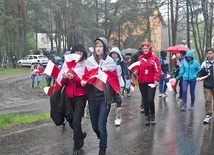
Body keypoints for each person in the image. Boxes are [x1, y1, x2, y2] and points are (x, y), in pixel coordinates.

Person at [81, 37, 122, 155]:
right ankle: (101, 136)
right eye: (96, 47)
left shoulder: (110, 63)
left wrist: (119, 102)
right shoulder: (89, 62)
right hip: (92, 99)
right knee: (95, 126)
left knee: (101, 125)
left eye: (100, 46)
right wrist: (84, 81)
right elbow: (86, 76)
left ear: (104, 48)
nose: (98, 49)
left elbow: (115, 83)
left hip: (104, 100)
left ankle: (102, 149)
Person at [61, 43, 87, 154]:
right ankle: (80, 135)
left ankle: (77, 145)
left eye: (81, 52)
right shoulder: (67, 65)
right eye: (77, 51)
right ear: (73, 53)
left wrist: (74, 78)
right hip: (68, 98)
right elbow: (62, 83)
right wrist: (66, 78)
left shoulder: (86, 65)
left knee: (76, 122)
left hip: (80, 97)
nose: (79, 54)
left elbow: (84, 83)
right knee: (71, 121)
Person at [131, 42, 161, 125]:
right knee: (145, 100)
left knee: (150, 99)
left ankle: (153, 115)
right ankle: (147, 117)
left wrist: (156, 79)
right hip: (142, 82)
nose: (145, 50)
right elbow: (137, 68)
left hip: (152, 82)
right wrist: (136, 72)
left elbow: (157, 70)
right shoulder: (140, 58)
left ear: (150, 49)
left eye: (146, 48)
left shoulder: (154, 59)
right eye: (144, 49)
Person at [109, 47, 131, 126]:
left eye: (115, 53)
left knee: (119, 100)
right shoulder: (108, 62)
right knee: (110, 101)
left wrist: (127, 84)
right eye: (112, 53)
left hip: (119, 83)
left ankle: (118, 117)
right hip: (110, 83)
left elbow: (126, 73)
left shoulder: (122, 62)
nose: (114, 55)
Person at [197, 48, 214, 123]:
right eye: (208, 53)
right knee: (208, 100)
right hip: (207, 85)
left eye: (211, 53)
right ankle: (208, 115)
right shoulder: (205, 63)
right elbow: (201, 72)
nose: (209, 55)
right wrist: (198, 77)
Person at [130, 45, 145, 113]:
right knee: (143, 91)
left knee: (147, 91)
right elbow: (132, 64)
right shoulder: (137, 55)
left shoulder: (149, 55)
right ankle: (143, 106)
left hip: (148, 75)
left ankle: (145, 105)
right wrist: (135, 71)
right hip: (140, 74)